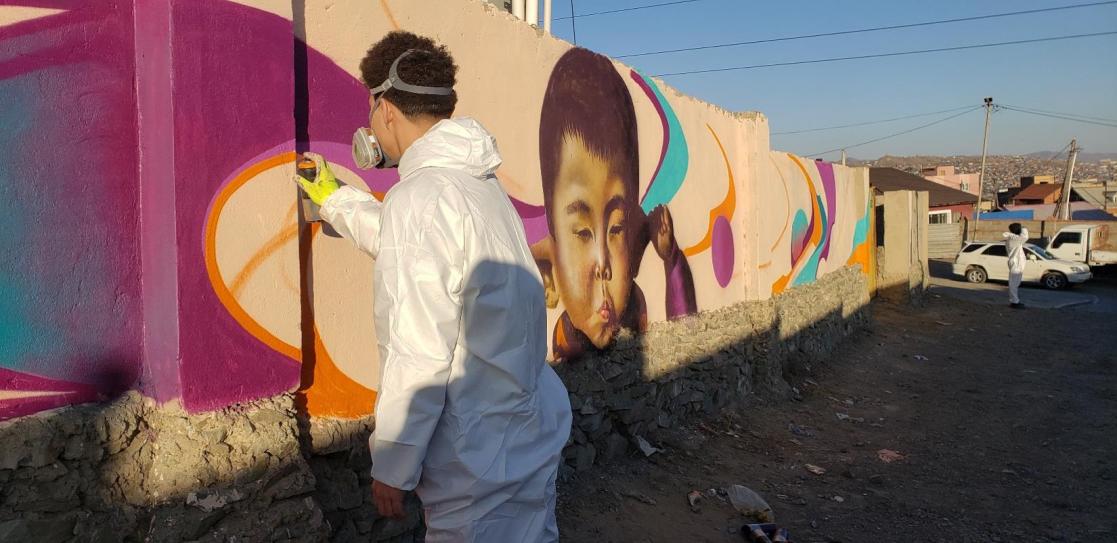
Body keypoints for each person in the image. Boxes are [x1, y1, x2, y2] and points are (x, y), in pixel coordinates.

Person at [295, 31, 572, 542]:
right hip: (525, 437)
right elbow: (418, 249)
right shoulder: (478, 186)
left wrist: (393, 464)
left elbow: (418, 349)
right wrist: (336, 200)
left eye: (372, 110)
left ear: (385, 109)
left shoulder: (421, 199)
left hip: (478, 463)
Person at [531, 48, 697, 363]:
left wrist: (671, 256)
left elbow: (688, 341)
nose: (603, 264)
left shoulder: (635, 309)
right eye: (581, 232)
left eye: (617, 228)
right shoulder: (533, 267)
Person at [1003, 222, 1029, 309]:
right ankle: (1014, 302)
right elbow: (1025, 237)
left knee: (1015, 283)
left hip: (1017, 263)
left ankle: (1015, 301)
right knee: (1013, 284)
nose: (1022, 230)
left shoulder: (1014, 238)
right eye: (1020, 228)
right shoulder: (1013, 239)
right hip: (1016, 263)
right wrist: (1024, 228)